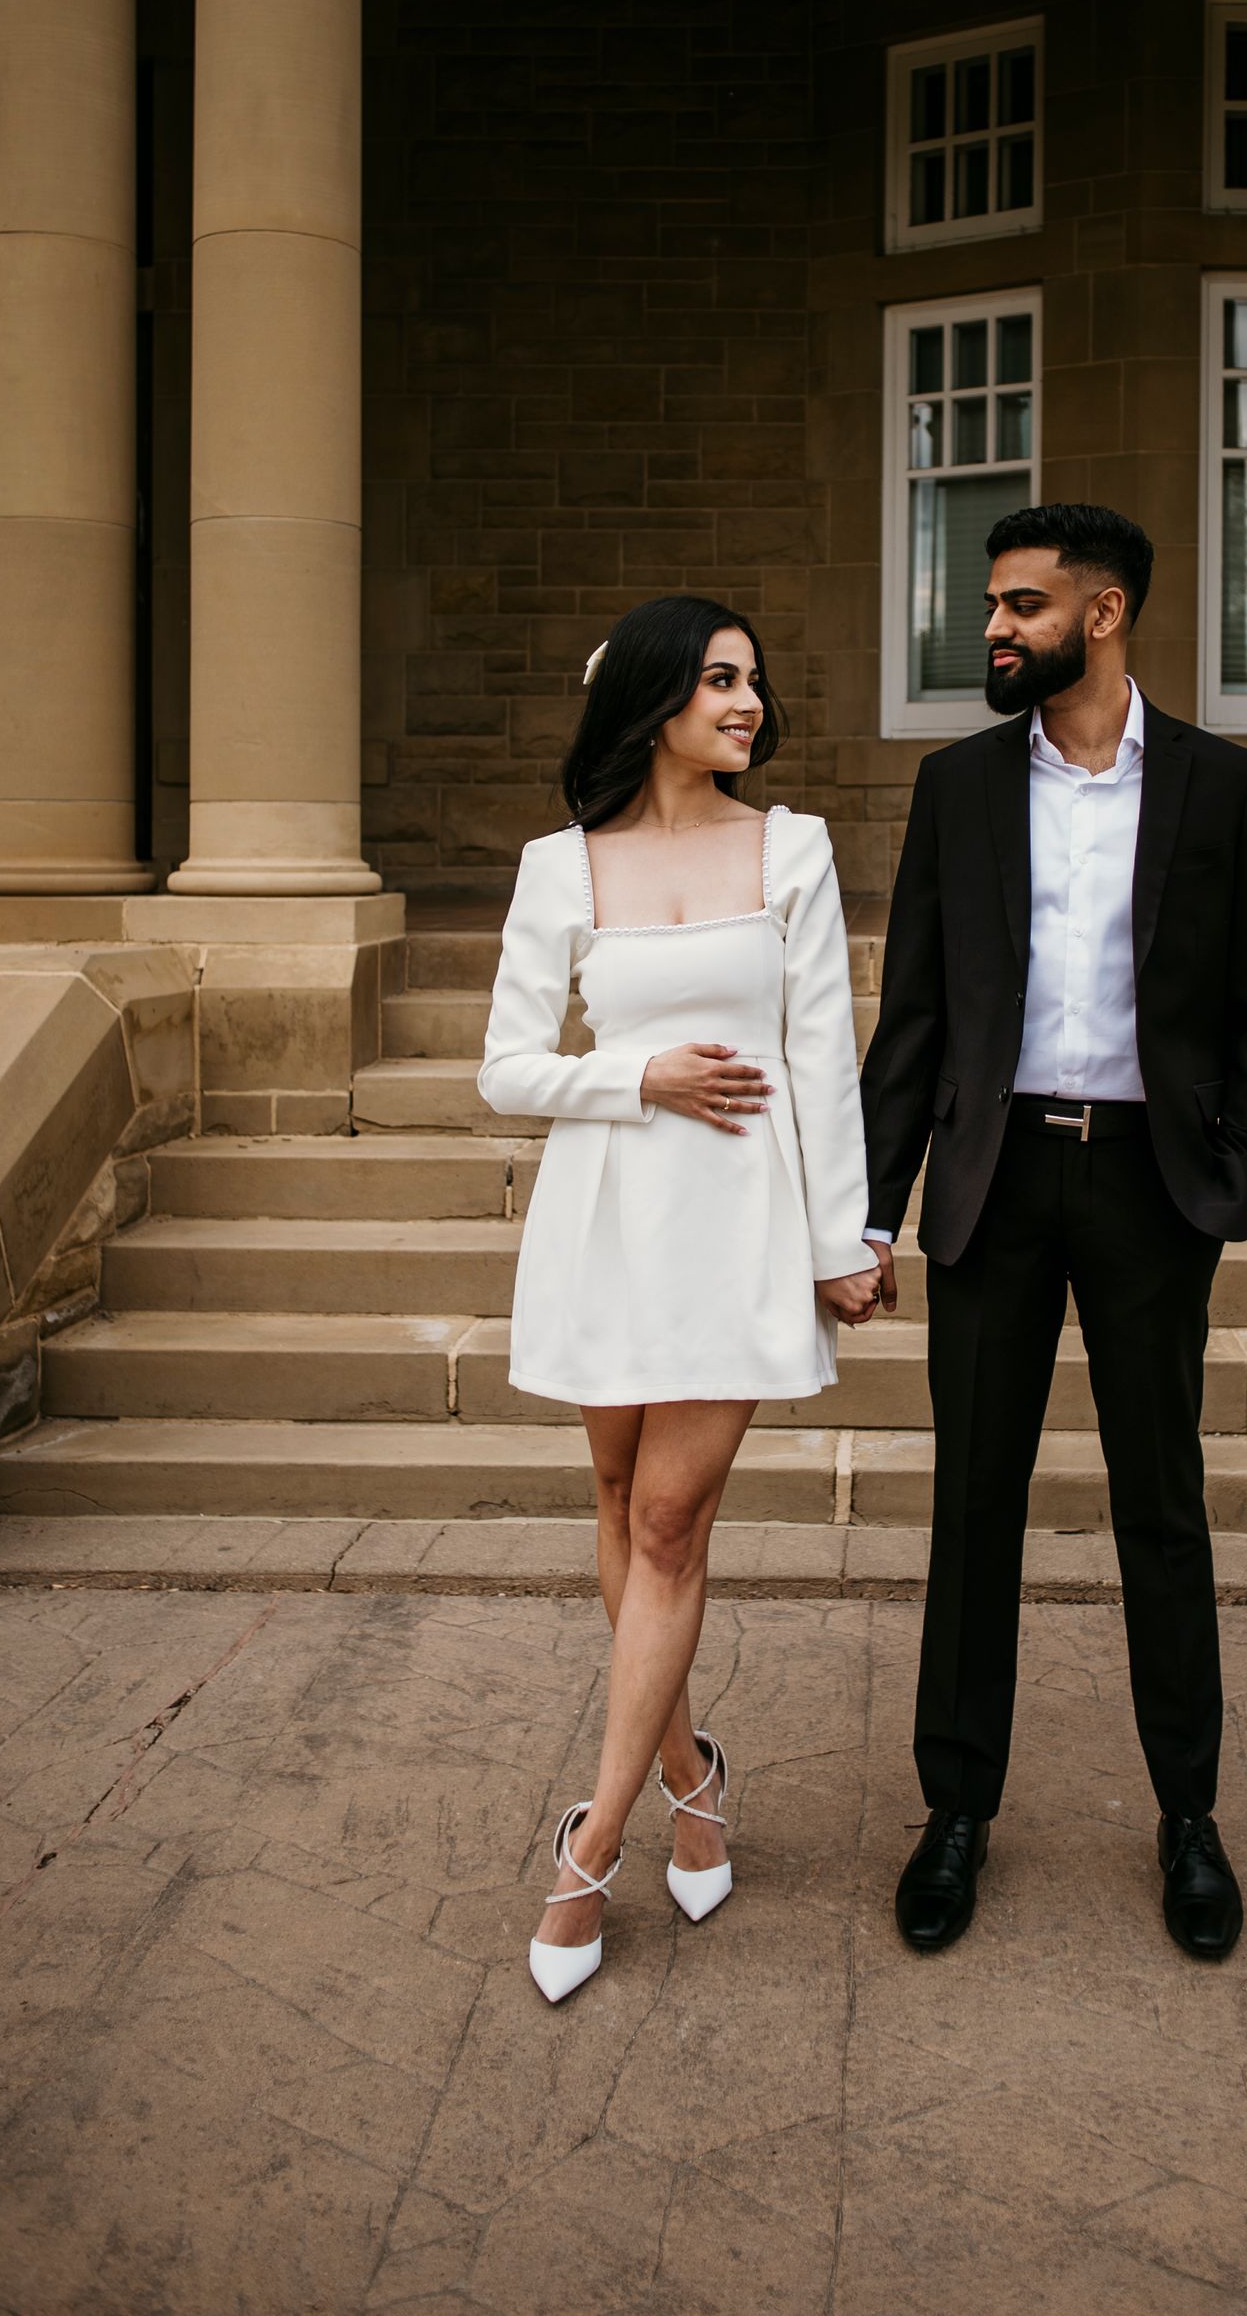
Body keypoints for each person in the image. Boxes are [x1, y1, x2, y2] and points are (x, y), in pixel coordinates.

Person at [860, 503, 1247, 1962]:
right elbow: (914, 1019)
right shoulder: (960, 787)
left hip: (1149, 1194)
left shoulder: (1225, 789)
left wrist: (1234, 1173)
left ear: (1102, 615)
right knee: (973, 1505)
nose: (993, 627)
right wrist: (873, 1210)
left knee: (1160, 1507)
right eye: (994, 604)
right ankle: (957, 1814)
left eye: (1022, 605)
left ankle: (1189, 1815)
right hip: (993, 1185)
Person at [479, 595, 882, 2003]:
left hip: (737, 1221)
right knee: (612, 1496)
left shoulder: (793, 848)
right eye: (720, 679)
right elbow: (507, 1067)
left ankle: (587, 1849)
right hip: (606, 1220)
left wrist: (848, 1234)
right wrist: (632, 1077)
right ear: (653, 698)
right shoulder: (558, 867)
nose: (748, 701)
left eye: (754, 681)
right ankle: (690, 1777)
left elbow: (823, 1053)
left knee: (667, 1517)